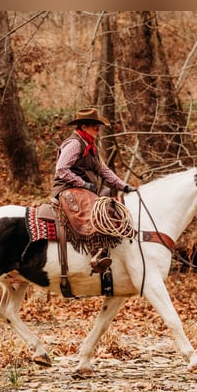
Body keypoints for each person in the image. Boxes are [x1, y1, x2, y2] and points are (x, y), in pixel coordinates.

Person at [51, 107, 136, 272]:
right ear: (83, 127)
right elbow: (61, 169)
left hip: (83, 189)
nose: (98, 129)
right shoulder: (75, 144)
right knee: (95, 207)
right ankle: (96, 254)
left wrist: (123, 186)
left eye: (98, 126)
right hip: (67, 189)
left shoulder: (91, 146)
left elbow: (104, 171)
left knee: (107, 203)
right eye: (94, 125)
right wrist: (83, 184)